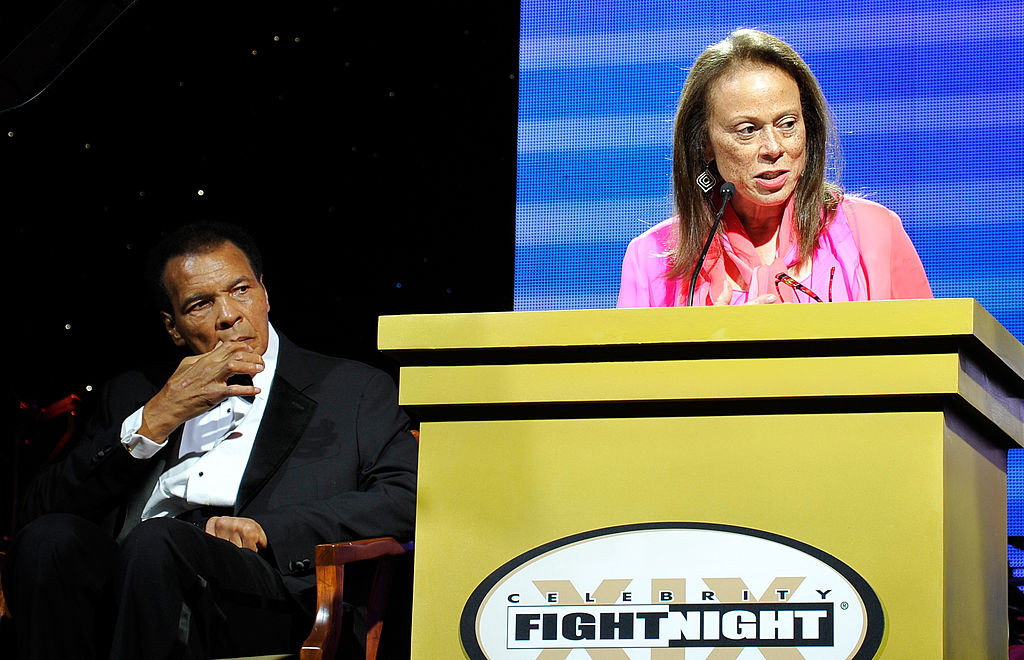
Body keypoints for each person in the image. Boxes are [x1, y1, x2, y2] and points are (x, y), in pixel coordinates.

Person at [3, 223, 418, 659]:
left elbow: (404, 497)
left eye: (240, 290)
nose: (228, 315)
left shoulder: (350, 388)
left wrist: (270, 530)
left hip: (259, 595)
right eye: (200, 304)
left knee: (157, 542)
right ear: (173, 327)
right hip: (131, 583)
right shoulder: (135, 393)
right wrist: (154, 419)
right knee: (48, 541)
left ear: (265, 293)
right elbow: (38, 512)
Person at [618, 29, 932, 307]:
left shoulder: (875, 232)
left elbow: (931, 351)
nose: (773, 147)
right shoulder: (651, 258)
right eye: (747, 130)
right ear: (704, 144)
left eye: (788, 124)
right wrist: (717, 343)